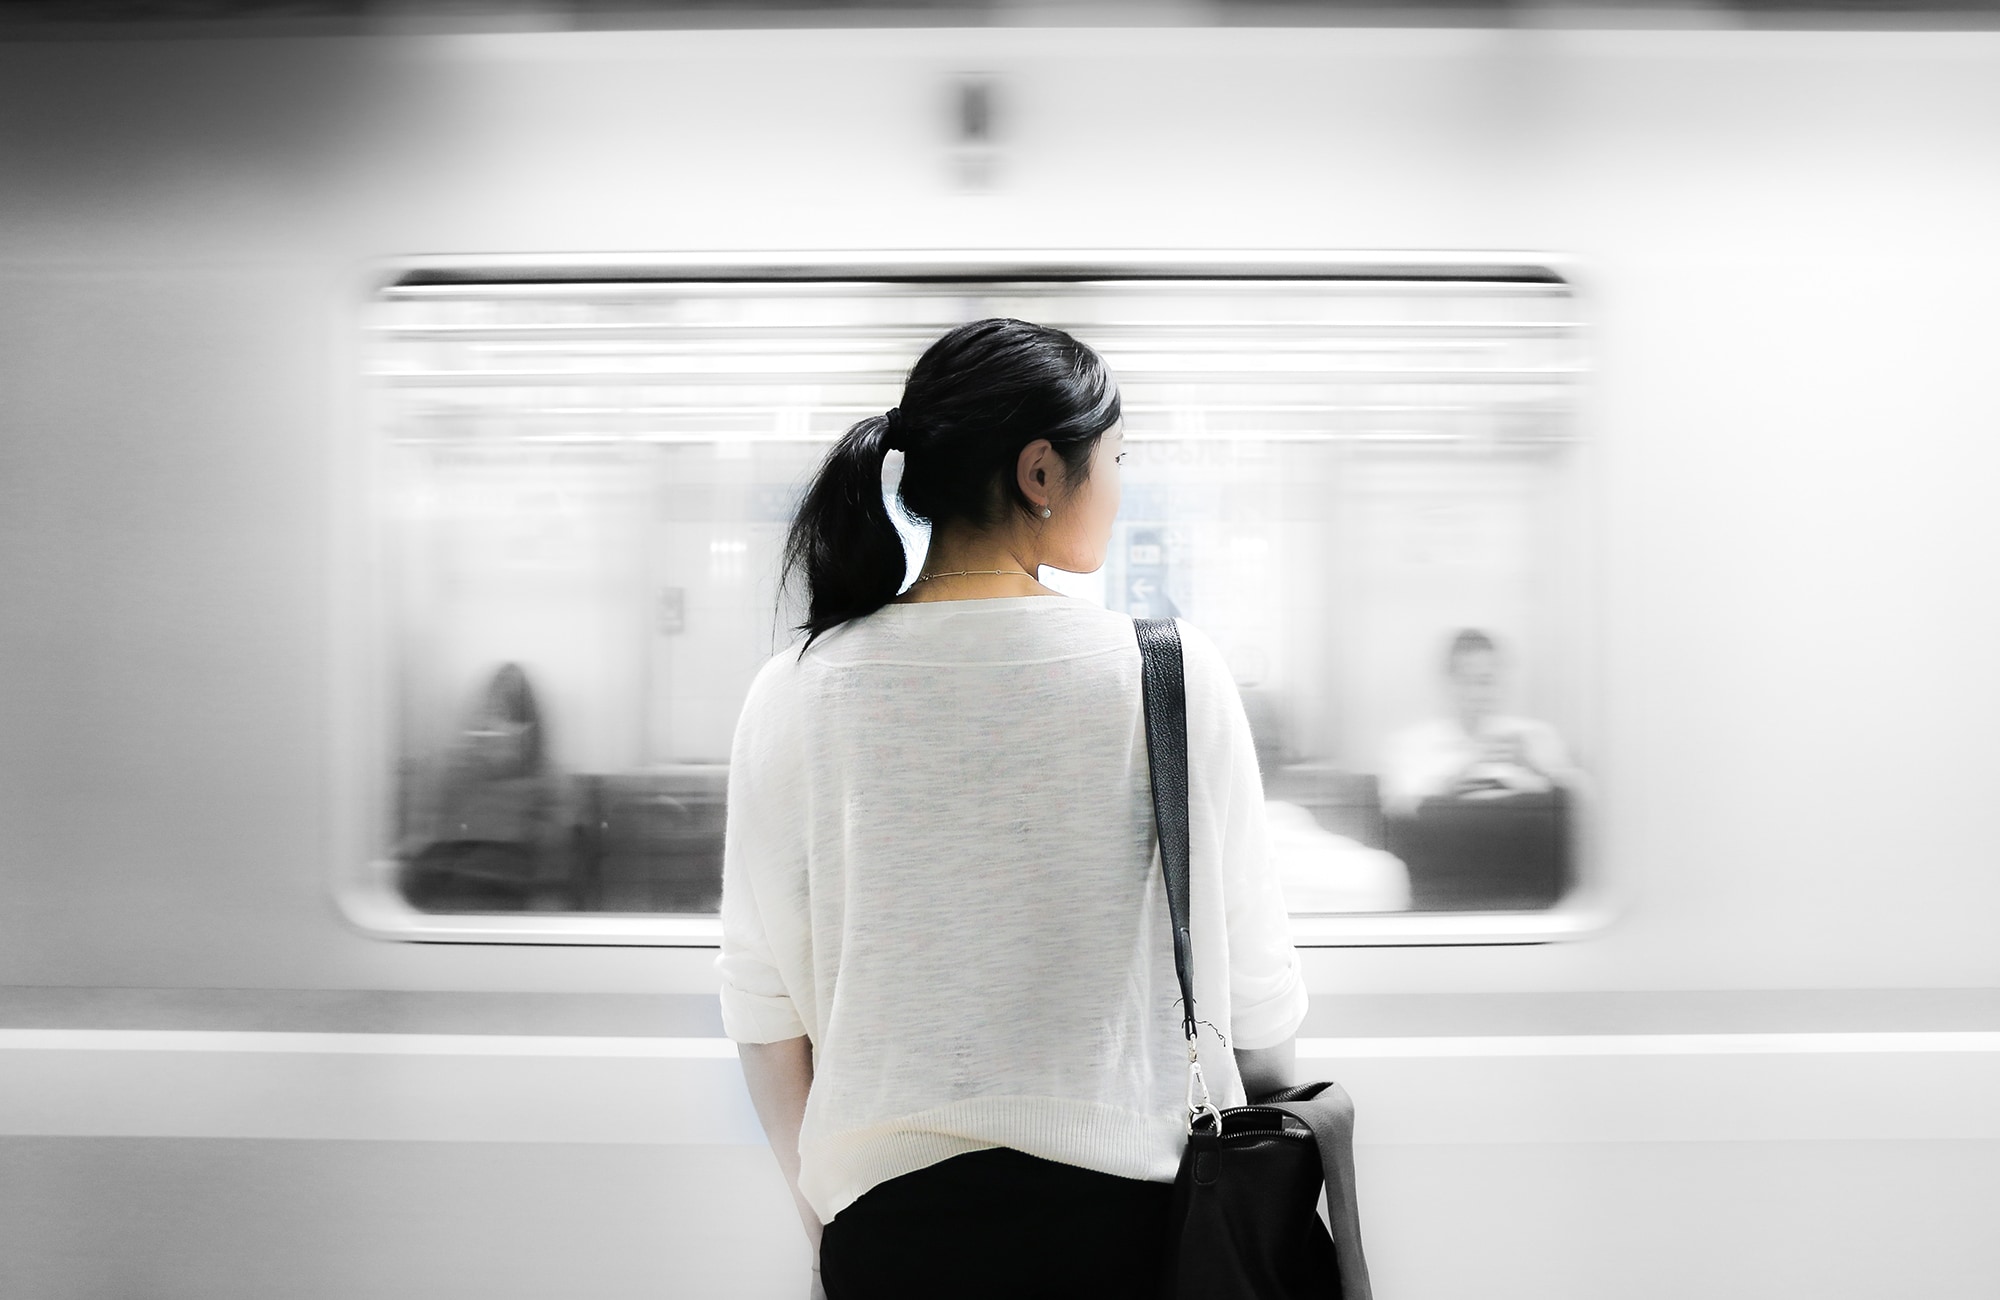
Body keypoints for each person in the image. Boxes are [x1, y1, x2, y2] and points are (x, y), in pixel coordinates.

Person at [716, 319, 1307, 1300]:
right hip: (1139, 1233)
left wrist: (829, 1232)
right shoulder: (1170, 672)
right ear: (1041, 472)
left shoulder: (792, 688)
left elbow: (763, 1011)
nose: (1117, 488)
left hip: (889, 1239)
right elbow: (1255, 997)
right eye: (1112, 458)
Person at [1379, 628, 1582, 817]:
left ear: (1500, 682)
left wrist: (1532, 765)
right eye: (1466, 681)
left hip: (1523, 847)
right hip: (1441, 847)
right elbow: (1394, 812)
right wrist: (1448, 786)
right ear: (1449, 683)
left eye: (1486, 681)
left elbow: (1584, 801)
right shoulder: (1411, 745)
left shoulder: (1534, 737)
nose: (1477, 693)